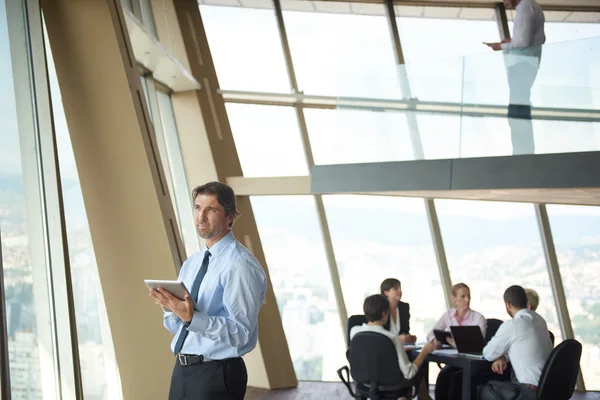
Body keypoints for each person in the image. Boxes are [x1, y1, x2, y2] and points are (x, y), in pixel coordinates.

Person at [149, 182, 267, 400]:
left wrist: (192, 317)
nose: (201, 217)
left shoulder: (240, 265)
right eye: (197, 208)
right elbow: (179, 326)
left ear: (230, 217)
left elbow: (241, 333)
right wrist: (172, 308)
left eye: (210, 209)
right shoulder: (192, 263)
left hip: (217, 374)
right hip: (183, 370)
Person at [485, 0, 545, 155]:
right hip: (528, 62)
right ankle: (523, 150)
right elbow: (538, 38)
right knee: (518, 107)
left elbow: (523, 41)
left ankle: (522, 151)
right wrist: (511, 42)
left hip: (523, 63)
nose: (504, 2)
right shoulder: (530, 5)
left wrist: (500, 46)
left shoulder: (525, 7)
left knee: (516, 110)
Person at [351, 294, 434, 399]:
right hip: (391, 388)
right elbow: (409, 373)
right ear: (385, 313)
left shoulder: (354, 332)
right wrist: (425, 351)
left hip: (363, 385)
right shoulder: (392, 338)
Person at [482, 285, 553, 400]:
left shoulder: (512, 325)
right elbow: (522, 348)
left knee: (482, 389)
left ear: (508, 305)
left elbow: (488, 354)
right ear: (526, 302)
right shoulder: (540, 320)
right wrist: (504, 357)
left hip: (528, 392)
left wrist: (499, 355)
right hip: (547, 389)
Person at [427, 283, 487, 400]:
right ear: (454, 298)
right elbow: (430, 333)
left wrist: (457, 344)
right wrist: (435, 340)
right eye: (463, 296)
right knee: (443, 378)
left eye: (469, 296)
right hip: (454, 362)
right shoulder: (448, 315)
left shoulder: (478, 318)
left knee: (452, 379)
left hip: (471, 364)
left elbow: (478, 345)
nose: (467, 300)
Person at [381, 278, 416, 343]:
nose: (400, 291)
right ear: (386, 292)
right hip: (385, 345)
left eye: (400, 288)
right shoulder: (381, 308)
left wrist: (409, 337)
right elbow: (379, 334)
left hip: (402, 346)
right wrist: (397, 339)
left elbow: (405, 331)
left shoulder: (404, 307)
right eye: (395, 289)